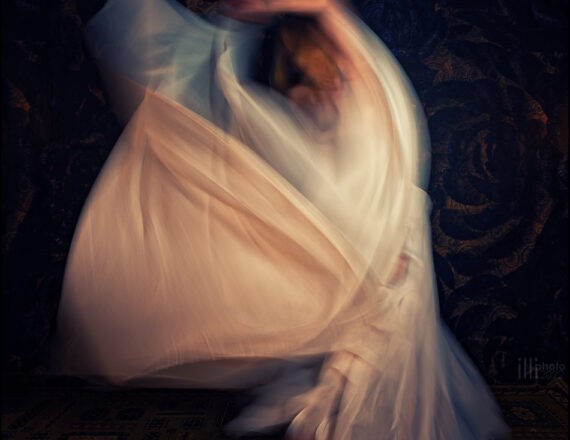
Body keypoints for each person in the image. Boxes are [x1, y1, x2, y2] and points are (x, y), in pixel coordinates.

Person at [51, 0, 510, 438]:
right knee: (307, 251)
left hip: (378, 224)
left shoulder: (363, 80)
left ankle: (348, 387)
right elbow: (305, 151)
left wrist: (270, 12)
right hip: (357, 223)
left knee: (370, 302)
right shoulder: (314, 89)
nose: (320, 82)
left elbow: (333, 29)